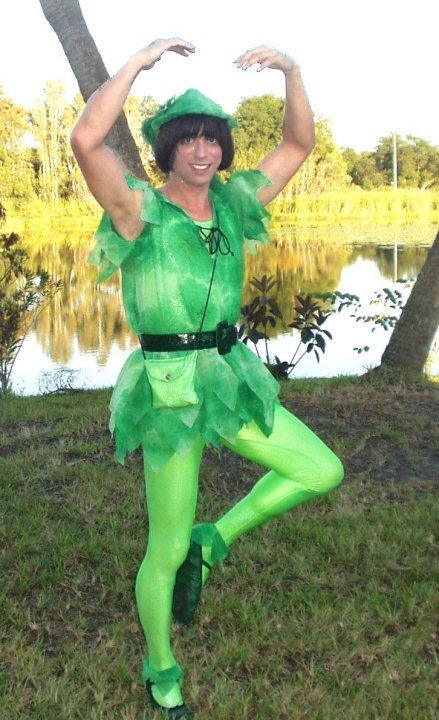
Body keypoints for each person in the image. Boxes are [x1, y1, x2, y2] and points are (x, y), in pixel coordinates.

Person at [71, 38, 344, 720]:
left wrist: (292, 71)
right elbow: (85, 138)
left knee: (319, 469)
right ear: (167, 150)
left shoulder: (232, 204)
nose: (202, 152)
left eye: (212, 140)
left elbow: (297, 144)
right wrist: (136, 64)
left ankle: (214, 537)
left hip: (228, 377)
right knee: (163, 546)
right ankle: (160, 669)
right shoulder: (137, 208)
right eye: (188, 140)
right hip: (167, 391)